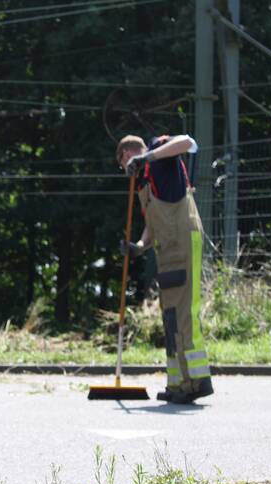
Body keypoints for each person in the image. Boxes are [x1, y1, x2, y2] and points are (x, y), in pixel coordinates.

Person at [116, 133, 213, 404]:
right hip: (167, 250)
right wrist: (138, 246)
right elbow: (153, 225)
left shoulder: (159, 152)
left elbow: (189, 142)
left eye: (123, 161)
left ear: (129, 153)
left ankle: (196, 381)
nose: (126, 168)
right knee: (170, 317)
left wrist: (146, 156)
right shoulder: (144, 184)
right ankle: (178, 384)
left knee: (183, 313)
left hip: (183, 240)